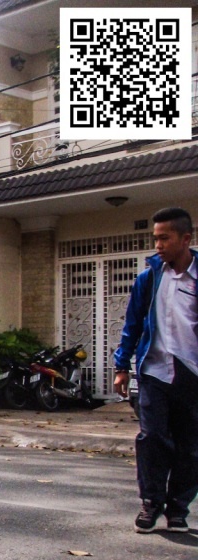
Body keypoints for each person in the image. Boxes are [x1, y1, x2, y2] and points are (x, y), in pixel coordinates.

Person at [113, 207, 198, 534]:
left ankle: (178, 510)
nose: (158, 245)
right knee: (152, 438)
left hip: (192, 375)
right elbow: (132, 325)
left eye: (165, 238)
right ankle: (151, 503)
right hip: (154, 371)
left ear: (185, 239)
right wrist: (122, 366)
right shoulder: (148, 279)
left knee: (190, 446)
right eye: (155, 239)